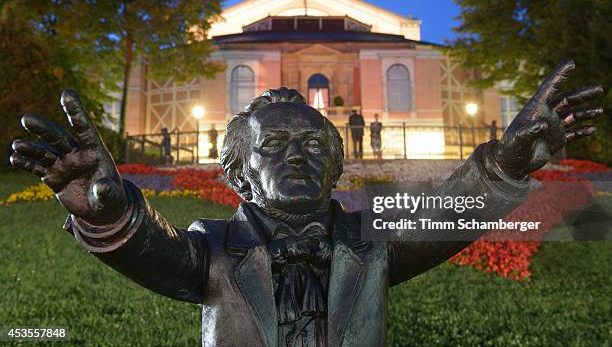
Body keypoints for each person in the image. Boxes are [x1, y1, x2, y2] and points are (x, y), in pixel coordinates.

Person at [9, 61, 604, 347]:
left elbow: (450, 212)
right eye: (274, 145)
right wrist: (108, 214)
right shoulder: (211, 250)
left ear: (336, 166)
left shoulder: (376, 242)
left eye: (314, 144)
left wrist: (507, 164)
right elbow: (154, 252)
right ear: (238, 174)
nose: (297, 156)